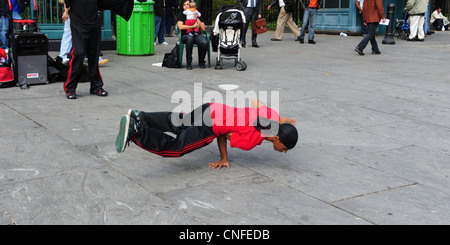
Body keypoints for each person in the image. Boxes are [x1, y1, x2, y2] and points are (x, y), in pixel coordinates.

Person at [115, 99, 299, 169]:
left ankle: (141, 116)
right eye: (285, 148)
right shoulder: (252, 140)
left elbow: (255, 102)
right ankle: (136, 131)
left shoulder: (272, 117)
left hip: (212, 107)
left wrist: (282, 120)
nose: (284, 151)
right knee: (177, 147)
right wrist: (224, 158)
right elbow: (223, 134)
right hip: (210, 125)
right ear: (276, 138)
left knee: (180, 123)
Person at [63, 0, 108, 99]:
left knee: (94, 55)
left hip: (94, 23)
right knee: (79, 53)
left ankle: (96, 87)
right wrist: (66, 11)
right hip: (78, 22)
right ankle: (70, 88)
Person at [58, 0, 108, 66]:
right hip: (77, 12)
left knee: (73, 33)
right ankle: (63, 56)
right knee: (70, 33)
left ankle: (63, 56)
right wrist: (66, 11)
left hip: (79, 11)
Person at [177, 0, 208, 70]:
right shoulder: (182, 14)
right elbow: (180, 27)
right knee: (189, 39)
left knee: (204, 42)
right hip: (186, 35)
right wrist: (192, 26)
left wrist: (196, 18)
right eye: (184, 5)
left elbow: (203, 28)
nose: (186, 6)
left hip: (197, 34)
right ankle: (189, 62)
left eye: (188, 4)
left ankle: (201, 61)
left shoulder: (196, 13)